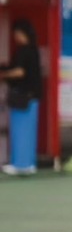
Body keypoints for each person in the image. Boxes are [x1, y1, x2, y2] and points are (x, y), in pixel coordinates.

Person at [0, 18, 42, 176]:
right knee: (27, 131)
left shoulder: (25, 50)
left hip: (23, 97)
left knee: (20, 130)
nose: (15, 36)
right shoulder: (33, 50)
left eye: (17, 33)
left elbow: (20, 72)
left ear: (22, 33)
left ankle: (20, 164)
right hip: (31, 97)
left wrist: (4, 74)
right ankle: (28, 162)